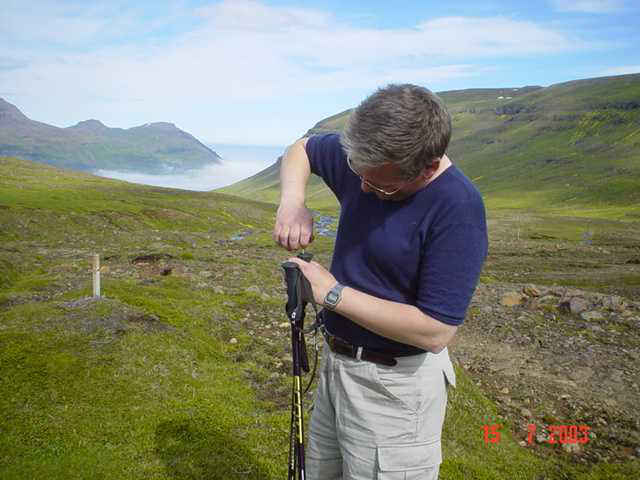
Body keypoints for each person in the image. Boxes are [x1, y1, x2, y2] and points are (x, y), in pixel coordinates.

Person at [273, 83, 488, 480]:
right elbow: (301, 149)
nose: (363, 189)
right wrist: (292, 201)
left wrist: (332, 294)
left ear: (427, 167)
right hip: (335, 368)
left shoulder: (459, 210)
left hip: (395, 391)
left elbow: (435, 331)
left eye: (382, 185)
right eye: (359, 174)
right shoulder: (373, 159)